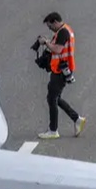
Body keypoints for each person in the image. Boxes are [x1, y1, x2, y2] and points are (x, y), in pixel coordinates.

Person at [37, 12, 86, 140]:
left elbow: (58, 50)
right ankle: (77, 119)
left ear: (55, 22)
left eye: (49, 26)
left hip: (61, 71)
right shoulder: (63, 31)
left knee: (52, 99)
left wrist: (46, 43)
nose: (50, 28)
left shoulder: (63, 32)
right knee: (54, 97)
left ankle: (53, 130)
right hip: (60, 70)